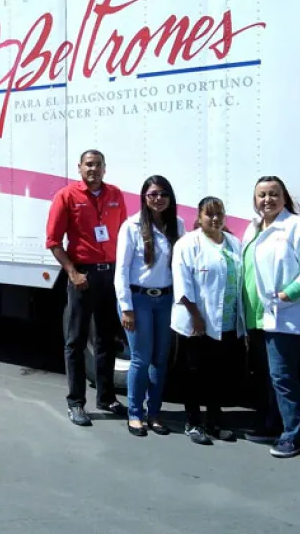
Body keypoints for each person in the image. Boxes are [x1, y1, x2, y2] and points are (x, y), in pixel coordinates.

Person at [241, 176, 300, 458]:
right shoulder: (252, 228)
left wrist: (291, 293)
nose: (268, 200)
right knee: (266, 375)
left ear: (284, 197)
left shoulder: (296, 226)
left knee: (283, 377)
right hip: (257, 316)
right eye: (262, 195)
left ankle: (294, 434)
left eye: (274, 194)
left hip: (285, 316)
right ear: (255, 200)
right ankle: (272, 425)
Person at [46, 150, 128, 426]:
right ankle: (76, 403)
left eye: (98, 165)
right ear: (79, 168)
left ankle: (106, 397)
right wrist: (72, 272)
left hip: (110, 276)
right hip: (83, 276)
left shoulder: (115, 195)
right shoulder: (66, 196)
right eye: (88, 165)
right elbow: (54, 241)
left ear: (105, 168)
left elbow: (124, 237)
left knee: (106, 339)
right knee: (77, 341)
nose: (93, 169)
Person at [171, 196, 245, 445]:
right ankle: (193, 423)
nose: (215, 219)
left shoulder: (234, 243)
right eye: (209, 214)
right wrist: (196, 316)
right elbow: (183, 284)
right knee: (194, 373)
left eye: (219, 214)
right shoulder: (188, 243)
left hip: (226, 323)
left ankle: (214, 422)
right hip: (197, 322)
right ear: (198, 217)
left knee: (218, 375)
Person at [114, 175, 184, 436]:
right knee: (141, 359)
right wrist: (126, 307)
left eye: (163, 194)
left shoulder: (176, 225)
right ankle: (135, 414)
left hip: (166, 300)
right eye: (153, 194)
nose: (158, 199)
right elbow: (120, 270)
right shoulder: (131, 226)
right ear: (144, 197)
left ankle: (154, 412)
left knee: (160, 360)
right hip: (139, 300)